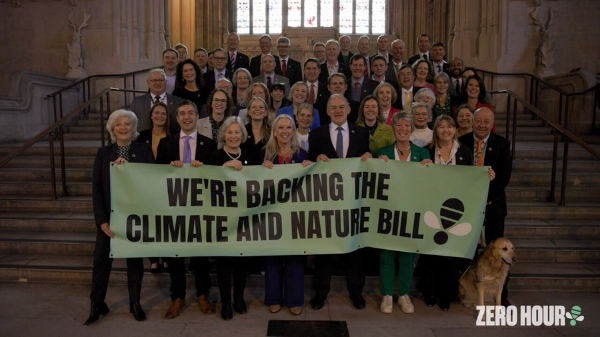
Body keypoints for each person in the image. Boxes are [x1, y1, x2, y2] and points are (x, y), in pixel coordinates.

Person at [86, 109, 154, 325]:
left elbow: (151, 182)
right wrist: (101, 220)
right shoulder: (104, 153)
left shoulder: (144, 151)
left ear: (134, 128)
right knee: (101, 262)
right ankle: (97, 303)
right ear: (112, 129)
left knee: (134, 262)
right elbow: (97, 188)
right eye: (119, 124)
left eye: (128, 124)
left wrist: (130, 170)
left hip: (133, 217)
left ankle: (135, 302)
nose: (123, 128)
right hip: (109, 219)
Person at [308, 94, 372, 311]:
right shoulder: (315, 135)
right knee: (325, 250)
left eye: (341, 107)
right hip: (327, 203)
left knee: (355, 250)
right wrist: (315, 161)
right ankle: (320, 293)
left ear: (348, 110)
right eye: (333, 107)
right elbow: (309, 166)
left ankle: (356, 292)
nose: (337, 110)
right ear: (326, 111)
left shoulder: (362, 133)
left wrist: (370, 159)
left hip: (354, 202)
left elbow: (368, 162)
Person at [156, 100, 217, 319]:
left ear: (196, 116)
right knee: (175, 254)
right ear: (178, 118)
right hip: (175, 207)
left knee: (201, 253)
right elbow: (156, 175)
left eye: (191, 113)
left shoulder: (209, 144)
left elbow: (216, 177)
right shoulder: (166, 144)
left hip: (201, 208)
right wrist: (169, 170)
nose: (187, 117)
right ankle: (178, 297)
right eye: (182, 114)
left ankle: (203, 295)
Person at [418, 114, 477, 311]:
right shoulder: (427, 151)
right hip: (431, 208)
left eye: (449, 126)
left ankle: (447, 294)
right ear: (435, 130)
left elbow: (472, 179)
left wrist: (486, 176)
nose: (445, 130)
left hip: (456, 210)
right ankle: (429, 292)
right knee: (431, 254)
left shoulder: (466, 152)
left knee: (451, 255)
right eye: (441, 127)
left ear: (455, 130)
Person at [376, 111, 431, 314]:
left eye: (407, 126)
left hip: (412, 211)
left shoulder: (423, 154)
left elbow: (430, 183)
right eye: (399, 125)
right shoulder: (382, 153)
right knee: (387, 254)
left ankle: (405, 294)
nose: (403, 129)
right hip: (388, 211)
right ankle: (388, 294)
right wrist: (376, 164)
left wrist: (430, 169)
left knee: (408, 254)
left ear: (412, 129)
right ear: (393, 128)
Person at [458, 107, 512, 305]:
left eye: (486, 122)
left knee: (498, 254)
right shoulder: (461, 142)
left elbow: (504, 176)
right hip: (466, 209)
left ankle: (501, 295)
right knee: (467, 254)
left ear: (492, 124)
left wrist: (486, 198)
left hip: (493, 207)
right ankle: (466, 291)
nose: (481, 125)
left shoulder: (502, 144)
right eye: (478, 121)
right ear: (472, 122)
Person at [261, 114, 313, 315]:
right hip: (271, 215)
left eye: (288, 127)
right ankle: (273, 298)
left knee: (295, 258)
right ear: (274, 131)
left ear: (293, 131)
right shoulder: (265, 154)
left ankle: (294, 299)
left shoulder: (302, 154)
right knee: (272, 257)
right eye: (280, 127)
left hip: (295, 216)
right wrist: (262, 170)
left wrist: (311, 168)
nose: (284, 131)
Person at [208, 116, 254, 320]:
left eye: (237, 132)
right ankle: (226, 302)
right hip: (223, 219)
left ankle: (239, 298)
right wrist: (221, 170)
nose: (234, 136)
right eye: (230, 132)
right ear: (223, 134)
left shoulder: (252, 155)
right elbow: (206, 184)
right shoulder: (215, 157)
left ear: (242, 135)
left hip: (245, 218)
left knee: (241, 262)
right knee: (224, 263)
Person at [135, 102, 171, 274]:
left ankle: (166, 257)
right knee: (150, 224)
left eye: (163, 113)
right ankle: (153, 259)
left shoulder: (173, 136)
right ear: (151, 116)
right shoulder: (141, 137)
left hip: (166, 186)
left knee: (165, 224)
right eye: (156, 113)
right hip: (147, 186)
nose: (159, 116)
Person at [131, 68, 183, 133]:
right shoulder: (137, 102)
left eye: (161, 80)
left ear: (166, 82)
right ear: (148, 82)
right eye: (154, 80)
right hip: (143, 141)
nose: (158, 83)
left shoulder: (178, 102)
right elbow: (131, 124)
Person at [345, 54, 379, 123]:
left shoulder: (374, 85)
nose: (357, 68)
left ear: (365, 67)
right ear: (350, 66)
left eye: (360, 65)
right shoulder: (343, 85)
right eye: (355, 65)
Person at [242, 96, 271, 165]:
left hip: (267, 171)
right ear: (249, 112)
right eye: (254, 107)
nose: (257, 109)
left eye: (261, 107)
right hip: (244, 171)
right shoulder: (242, 130)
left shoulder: (273, 131)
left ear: (266, 112)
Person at [304, 58, 330, 125]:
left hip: (322, 125)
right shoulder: (298, 88)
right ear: (304, 71)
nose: (311, 71)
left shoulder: (327, 89)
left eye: (314, 68)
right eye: (308, 68)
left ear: (319, 71)